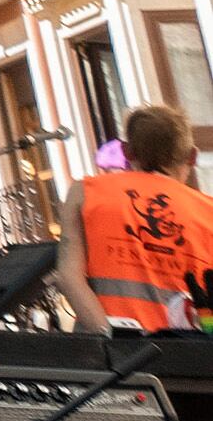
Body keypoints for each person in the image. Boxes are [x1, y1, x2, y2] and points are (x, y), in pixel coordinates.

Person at [55, 103, 213, 332]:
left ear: (127, 152)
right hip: (189, 357)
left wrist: (111, 338)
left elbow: (68, 277)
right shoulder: (208, 211)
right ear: (192, 156)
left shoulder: (85, 192)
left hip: (110, 359)